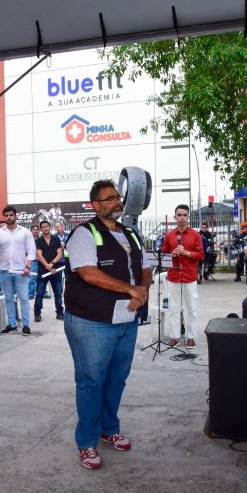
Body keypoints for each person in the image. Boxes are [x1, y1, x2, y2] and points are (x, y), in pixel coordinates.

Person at [63, 179, 152, 470]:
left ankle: (108, 429)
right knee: (91, 382)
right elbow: (89, 273)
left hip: (126, 320)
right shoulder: (83, 234)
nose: (118, 202)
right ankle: (86, 442)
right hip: (91, 322)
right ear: (97, 205)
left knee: (116, 379)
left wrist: (143, 289)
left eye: (118, 197)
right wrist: (130, 289)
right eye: (110, 198)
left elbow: (146, 268)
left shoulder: (131, 234)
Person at [161, 204, 204, 348]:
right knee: (174, 308)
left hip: (189, 276)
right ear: (175, 217)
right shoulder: (169, 235)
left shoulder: (195, 235)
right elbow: (163, 255)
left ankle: (191, 337)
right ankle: (175, 336)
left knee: (191, 308)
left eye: (185, 215)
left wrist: (186, 253)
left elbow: (201, 255)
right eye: (179, 215)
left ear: (188, 217)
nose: (182, 218)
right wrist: (171, 254)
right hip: (173, 276)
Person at [0, 206, 36, 335]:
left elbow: (31, 250)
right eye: (6, 215)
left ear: (15, 216)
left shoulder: (25, 232)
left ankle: (26, 325)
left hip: (21, 271)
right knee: (9, 298)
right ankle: (12, 324)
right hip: (5, 270)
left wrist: (27, 266)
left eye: (11, 215)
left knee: (23, 298)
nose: (9, 217)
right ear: (3, 217)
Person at [34, 220, 64, 322]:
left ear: (50, 227)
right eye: (43, 227)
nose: (45, 228)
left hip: (55, 269)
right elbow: (39, 255)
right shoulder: (38, 241)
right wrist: (48, 266)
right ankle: (37, 314)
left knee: (58, 293)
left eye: (47, 226)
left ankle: (60, 313)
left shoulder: (56, 239)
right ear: (41, 229)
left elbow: (60, 254)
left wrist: (51, 264)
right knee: (40, 292)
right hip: (43, 270)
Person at [28, 224, 41, 300]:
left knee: (41, 278)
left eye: (37, 229)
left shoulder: (41, 239)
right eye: (34, 229)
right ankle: (31, 293)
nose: (35, 230)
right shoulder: (29, 240)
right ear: (31, 231)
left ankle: (42, 293)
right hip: (33, 261)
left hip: (41, 262)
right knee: (32, 278)